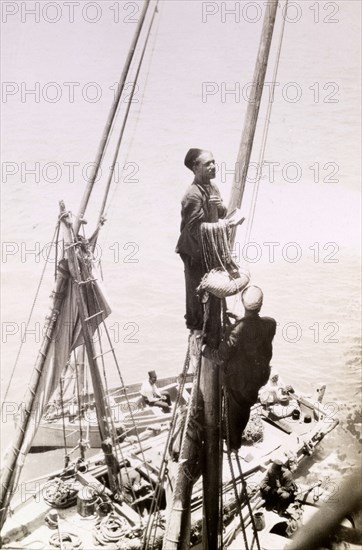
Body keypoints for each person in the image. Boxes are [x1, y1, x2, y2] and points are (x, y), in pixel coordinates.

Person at [203, 285, 276, 451]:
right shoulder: (270, 325)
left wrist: (202, 349)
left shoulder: (234, 332)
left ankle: (232, 445)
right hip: (256, 380)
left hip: (237, 383)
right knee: (244, 408)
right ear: (261, 305)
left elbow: (220, 357)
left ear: (243, 304)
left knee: (234, 413)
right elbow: (254, 331)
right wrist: (241, 320)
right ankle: (233, 441)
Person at [176, 148, 227, 332]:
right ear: (195, 168)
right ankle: (196, 328)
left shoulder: (213, 187)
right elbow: (194, 229)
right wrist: (220, 227)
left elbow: (221, 213)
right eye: (207, 164)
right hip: (193, 250)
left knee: (213, 288)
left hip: (208, 247)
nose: (213, 166)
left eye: (213, 162)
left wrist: (221, 207)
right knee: (196, 291)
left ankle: (213, 327)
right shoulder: (192, 195)